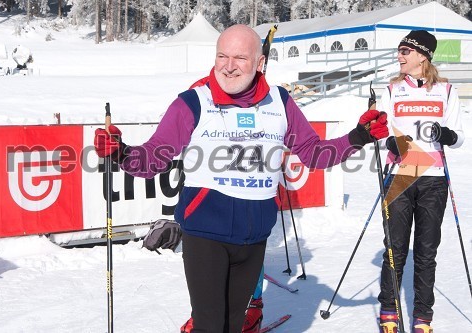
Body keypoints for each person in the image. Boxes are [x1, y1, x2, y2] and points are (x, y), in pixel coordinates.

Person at [94, 24, 388, 333]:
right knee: (209, 326)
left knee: (234, 325)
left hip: (254, 239)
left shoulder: (281, 103)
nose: (228, 66)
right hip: (206, 234)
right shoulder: (193, 102)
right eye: (222, 56)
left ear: (260, 64)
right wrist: (121, 153)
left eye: (239, 58)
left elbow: (315, 154)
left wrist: (359, 136)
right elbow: (154, 158)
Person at [377, 30, 464, 333]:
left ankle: (422, 317)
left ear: (422, 55)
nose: (399, 56)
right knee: (395, 250)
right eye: (399, 51)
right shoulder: (391, 90)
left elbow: (459, 135)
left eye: (404, 51)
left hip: (433, 178)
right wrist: (391, 143)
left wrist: (448, 135)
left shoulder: (446, 90)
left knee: (426, 252)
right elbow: (382, 130)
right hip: (401, 174)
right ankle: (389, 311)